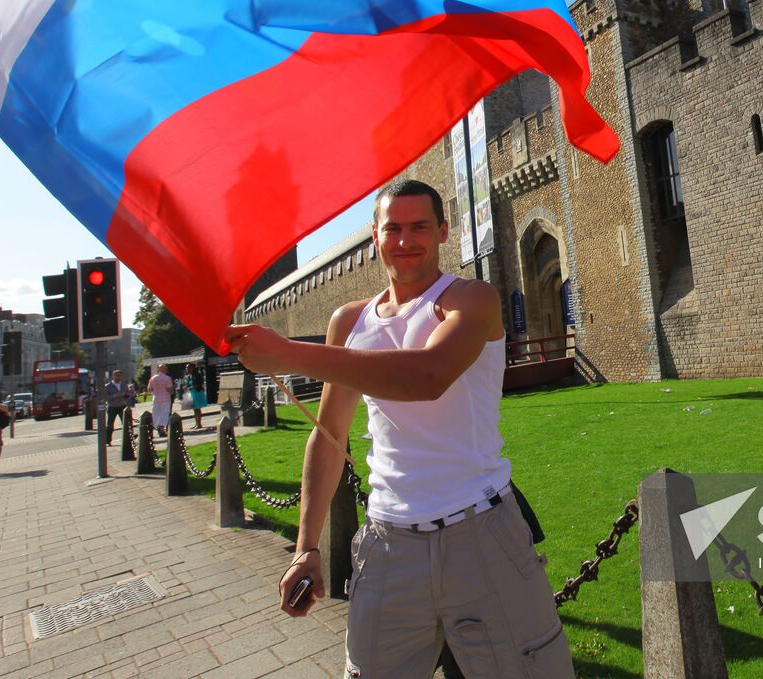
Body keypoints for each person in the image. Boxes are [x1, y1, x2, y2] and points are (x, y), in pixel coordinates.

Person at [225, 180, 573, 679]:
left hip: (481, 532)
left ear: (443, 231)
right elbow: (327, 437)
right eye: (393, 228)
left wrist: (286, 353)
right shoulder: (348, 322)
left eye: (419, 227)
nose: (405, 240)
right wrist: (306, 547)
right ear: (374, 236)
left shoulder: (470, 299)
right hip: (389, 545)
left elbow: (427, 376)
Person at [102, 370, 131, 445]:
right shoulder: (108, 386)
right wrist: (114, 396)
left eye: (120, 376)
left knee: (126, 423)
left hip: (122, 406)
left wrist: (126, 395)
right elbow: (105, 397)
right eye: (117, 375)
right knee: (110, 424)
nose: (118, 377)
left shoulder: (124, 385)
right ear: (113, 376)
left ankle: (129, 439)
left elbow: (128, 394)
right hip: (112, 406)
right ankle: (107, 440)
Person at [147, 363, 173, 435]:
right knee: (164, 414)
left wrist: (155, 390)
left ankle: (154, 428)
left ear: (158, 369)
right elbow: (169, 389)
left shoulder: (153, 378)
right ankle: (161, 428)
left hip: (155, 398)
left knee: (156, 414)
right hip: (165, 398)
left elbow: (149, 389)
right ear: (165, 369)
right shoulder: (167, 378)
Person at [183, 363, 206, 430]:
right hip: (191, 393)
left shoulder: (197, 374)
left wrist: (193, 387)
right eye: (186, 368)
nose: (187, 369)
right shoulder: (188, 376)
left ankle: (199, 423)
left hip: (197, 392)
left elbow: (200, 383)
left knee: (197, 408)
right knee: (194, 409)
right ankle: (196, 423)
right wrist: (186, 387)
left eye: (188, 367)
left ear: (192, 368)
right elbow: (187, 384)